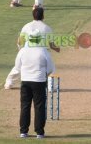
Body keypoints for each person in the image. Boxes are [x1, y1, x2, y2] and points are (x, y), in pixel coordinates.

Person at [13, 8, 55, 138]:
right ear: (43, 16)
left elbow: (17, 67)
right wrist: (43, 75)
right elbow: (51, 69)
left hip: (25, 80)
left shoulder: (23, 50)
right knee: (39, 106)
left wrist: (25, 72)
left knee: (25, 106)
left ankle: (23, 131)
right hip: (39, 81)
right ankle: (39, 133)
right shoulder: (43, 51)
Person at [4, 7, 59, 90]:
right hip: (41, 52)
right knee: (51, 68)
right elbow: (52, 45)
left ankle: (9, 83)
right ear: (43, 16)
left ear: (33, 16)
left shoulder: (26, 26)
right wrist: (57, 49)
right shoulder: (47, 28)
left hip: (26, 51)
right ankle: (51, 87)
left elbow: (19, 41)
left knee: (18, 67)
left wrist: (21, 51)